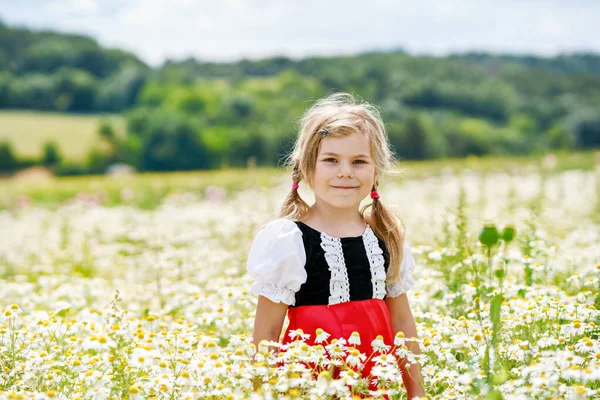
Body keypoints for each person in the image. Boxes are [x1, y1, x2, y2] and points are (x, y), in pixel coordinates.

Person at [247, 93, 425, 398]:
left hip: (371, 384)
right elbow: (266, 334)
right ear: (307, 168)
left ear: (376, 171)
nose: (345, 172)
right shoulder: (289, 240)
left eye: (359, 161)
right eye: (331, 160)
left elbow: (402, 322)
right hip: (308, 386)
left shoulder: (386, 237)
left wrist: (416, 393)